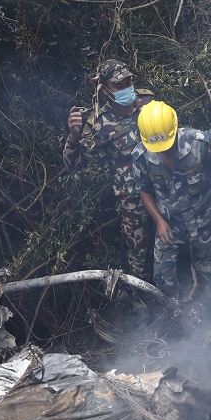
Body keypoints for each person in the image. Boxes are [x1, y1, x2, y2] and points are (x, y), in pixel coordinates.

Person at [64, 59, 156, 281]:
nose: (126, 87)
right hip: (132, 200)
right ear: (105, 89)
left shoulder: (148, 102)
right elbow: (75, 166)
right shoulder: (100, 124)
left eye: (129, 81)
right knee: (139, 255)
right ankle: (149, 299)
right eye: (119, 84)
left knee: (173, 239)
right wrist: (74, 136)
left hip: (162, 186)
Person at [130, 101, 211, 300]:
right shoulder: (141, 156)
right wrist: (158, 220)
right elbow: (143, 189)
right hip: (169, 223)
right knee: (163, 278)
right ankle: (172, 316)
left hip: (203, 220)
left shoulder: (199, 142)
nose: (164, 150)